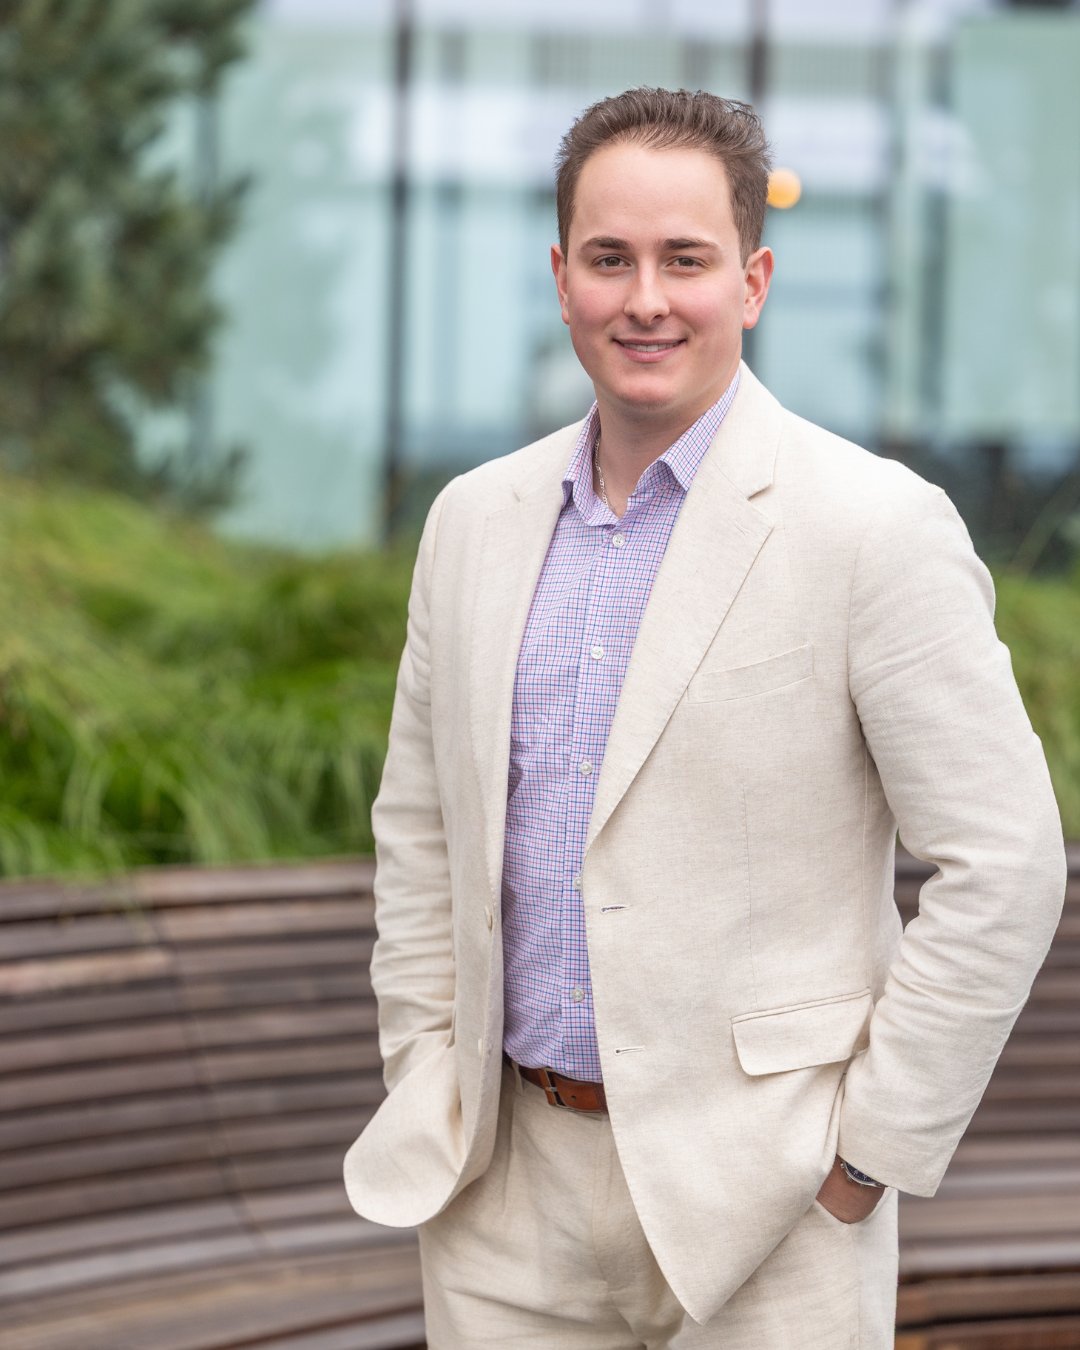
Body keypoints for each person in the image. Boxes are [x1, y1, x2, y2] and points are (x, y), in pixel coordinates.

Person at [344, 88, 1066, 1348]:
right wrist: (425, 1070)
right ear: (561, 275)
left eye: (687, 260)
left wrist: (868, 1160)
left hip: (773, 1203)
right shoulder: (471, 521)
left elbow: (1004, 864)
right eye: (611, 259)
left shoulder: (874, 528)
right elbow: (419, 830)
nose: (647, 300)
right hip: (500, 1192)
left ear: (756, 278)